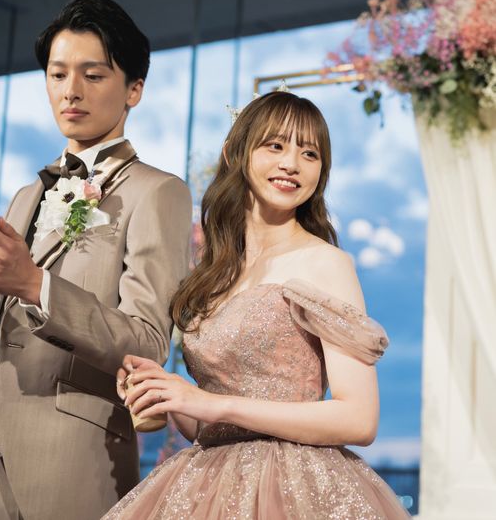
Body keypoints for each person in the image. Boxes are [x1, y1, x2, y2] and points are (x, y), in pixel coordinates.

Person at [0, 0, 192, 520]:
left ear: (134, 89)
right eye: (58, 74)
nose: (71, 90)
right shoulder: (25, 196)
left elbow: (148, 343)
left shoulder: (158, 192)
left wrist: (35, 285)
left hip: (70, 469)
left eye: (94, 75)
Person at [103, 91, 410, 519]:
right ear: (234, 153)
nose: (292, 164)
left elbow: (359, 419)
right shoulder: (213, 275)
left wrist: (211, 403)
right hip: (207, 483)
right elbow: (211, 428)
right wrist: (167, 396)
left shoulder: (324, 263)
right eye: (275, 146)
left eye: (309, 153)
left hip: (296, 486)